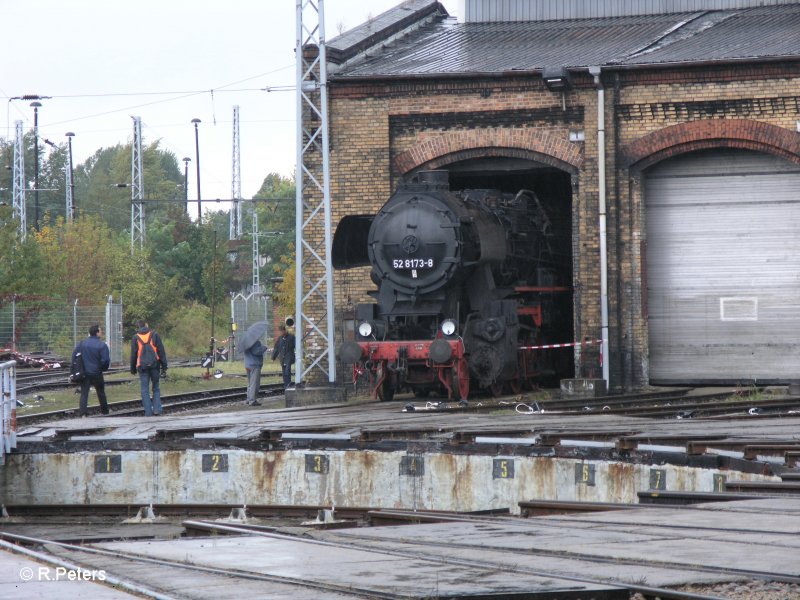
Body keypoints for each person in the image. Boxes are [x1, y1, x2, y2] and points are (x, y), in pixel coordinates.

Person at [130, 320, 168, 416]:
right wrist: (164, 366)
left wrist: (133, 369)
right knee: (156, 388)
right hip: (155, 365)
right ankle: (157, 410)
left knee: (144, 389)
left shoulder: (135, 337)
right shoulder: (154, 335)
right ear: (146, 325)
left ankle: (148, 412)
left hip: (142, 367)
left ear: (138, 327)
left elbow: (133, 355)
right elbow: (161, 351)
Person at [73, 323, 110, 417]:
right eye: (100, 331)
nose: (101, 332)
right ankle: (105, 411)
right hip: (97, 372)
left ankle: (83, 413)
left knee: (84, 393)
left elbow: (75, 356)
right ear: (97, 333)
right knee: (101, 392)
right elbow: (105, 360)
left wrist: (76, 369)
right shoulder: (102, 345)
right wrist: (103, 368)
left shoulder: (82, 344)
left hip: (85, 373)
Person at [271, 324, 296, 389]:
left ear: (285, 330)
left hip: (289, 357)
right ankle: (286, 385)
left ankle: (288, 385)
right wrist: (273, 357)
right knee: (284, 372)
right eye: (280, 331)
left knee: (287, 371)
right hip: (282, 358)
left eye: (282, 331)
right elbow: (276, 348)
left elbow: (296, 345)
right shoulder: (280, 339)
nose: (281, 333)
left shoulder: (291, 337)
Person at [243, 339, 266, 406]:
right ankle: (252, 400)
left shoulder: (246, 342)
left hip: (247, 364)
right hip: (254, 364)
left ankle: (248, 399)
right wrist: (264, 347)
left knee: (250, 383)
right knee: (254, 383)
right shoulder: (255, 342)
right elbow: (256, 351)